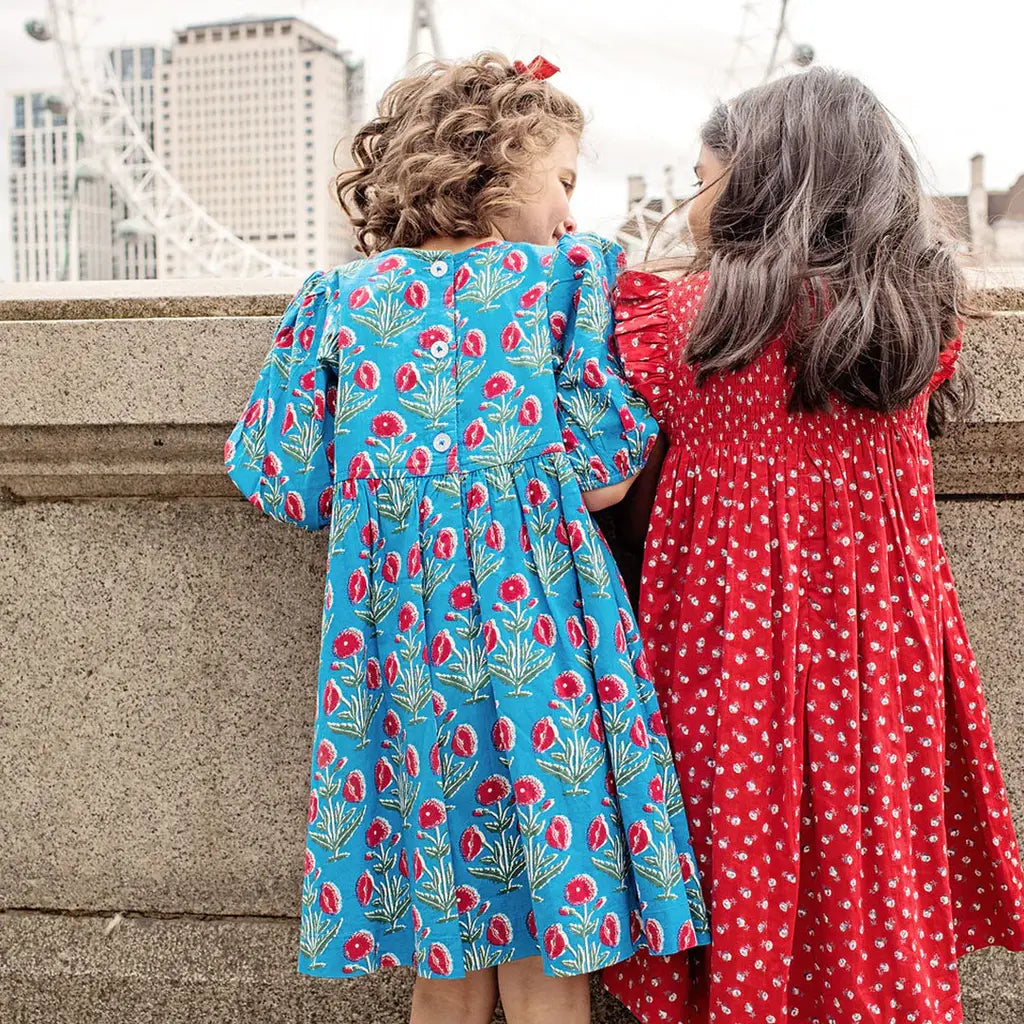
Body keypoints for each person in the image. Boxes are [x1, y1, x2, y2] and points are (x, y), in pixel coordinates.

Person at [224, 52, 708, 1024]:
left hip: (402, 664)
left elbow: (281, 479)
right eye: (564, 180)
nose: (573, 211)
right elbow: (608, 470)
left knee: (445, 953)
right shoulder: (564, 280)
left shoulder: (340, 303)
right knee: (542, 940)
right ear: (496, 164)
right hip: (543, 662)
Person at [604, 67, 1024, 1024]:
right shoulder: (914, 318)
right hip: (879, 655)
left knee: (737, 856)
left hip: (729, 647)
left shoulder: (682, 321)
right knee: (874, 872)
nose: (690, 197)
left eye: (706, 179)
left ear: (759, 186)